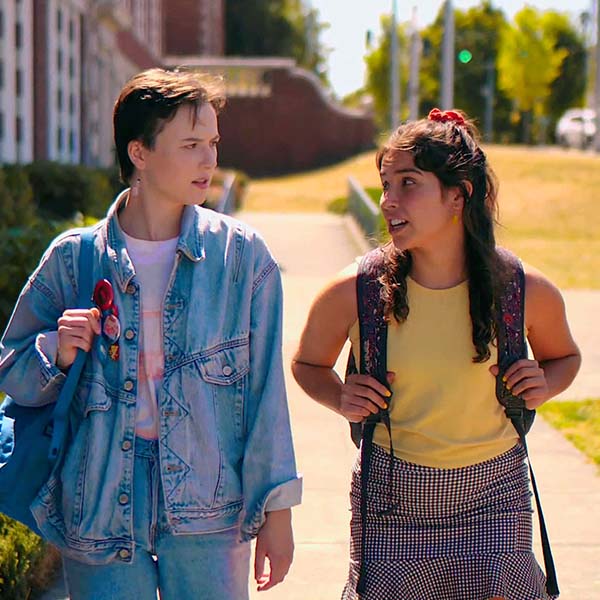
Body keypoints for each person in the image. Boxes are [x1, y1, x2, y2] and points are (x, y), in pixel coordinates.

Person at [0, 68, 301, 600]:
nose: (209, 160)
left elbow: (265, 396)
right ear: (139, 153)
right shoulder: (74, 258)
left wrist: (276, 509)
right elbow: (14, 373)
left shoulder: (243, 259)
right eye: (190, 144)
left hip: (209, 505)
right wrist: (55, 351)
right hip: (98, 502)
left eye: (212, 142)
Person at [291, 108, 580, 600]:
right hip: (391, 504)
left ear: (457, 195)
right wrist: (340, 395)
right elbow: (306, 365)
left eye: (408, 184)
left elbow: (565, 358)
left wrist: (546, 382)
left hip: (495, 500)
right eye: (384, 184)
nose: (387, 201)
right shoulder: (354, 291)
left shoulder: (522, 289)